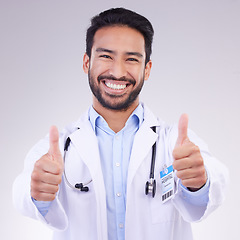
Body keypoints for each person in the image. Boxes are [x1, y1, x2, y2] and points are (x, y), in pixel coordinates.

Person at [13, 7, 228, 240]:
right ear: (87, 63)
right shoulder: (59, 147)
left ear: (147, 69)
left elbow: (216, 181)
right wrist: (38, 193)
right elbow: (21, 191)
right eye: (106, 56)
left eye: (132, 59)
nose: (117, 72)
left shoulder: (174, 142)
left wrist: (199, 183)